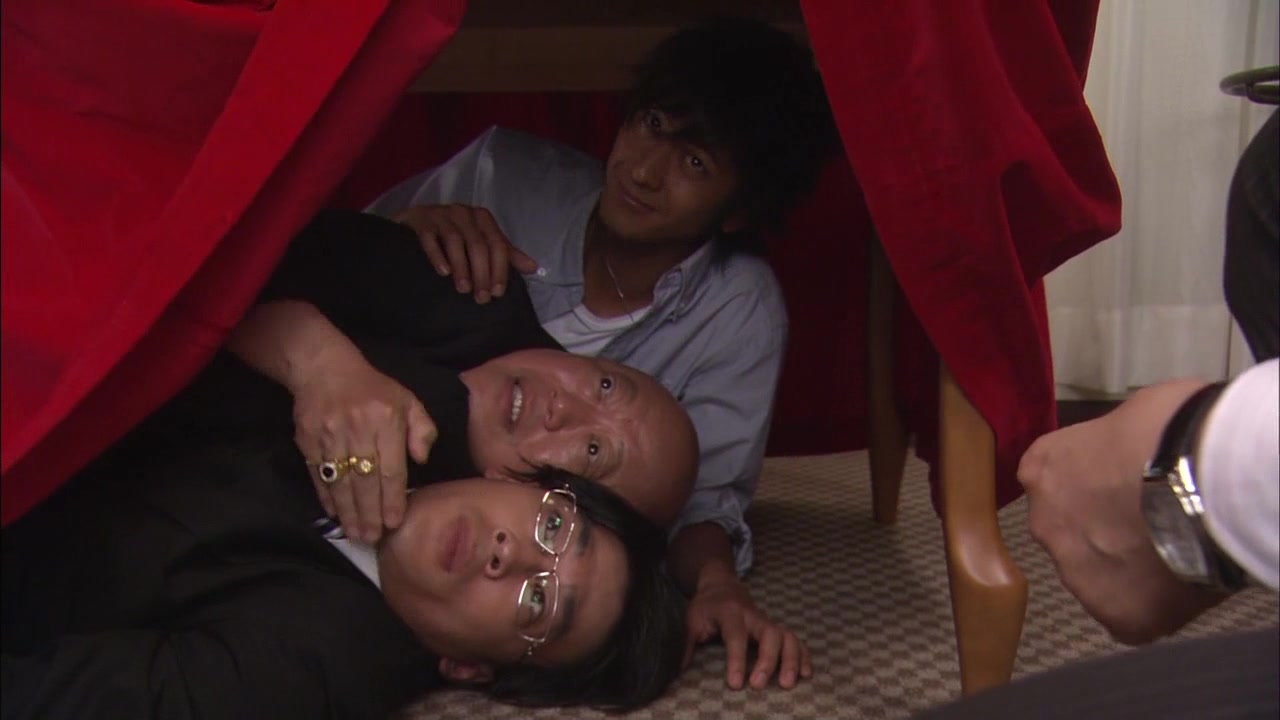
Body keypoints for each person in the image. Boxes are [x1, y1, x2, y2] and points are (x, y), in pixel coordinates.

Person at [365, 16, 836, 690]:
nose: (643, 171)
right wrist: (406, 233)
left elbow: (704, 497)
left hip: (493, 549)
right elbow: (327, 269)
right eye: (650, 125)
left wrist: (717, 584)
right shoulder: (504, 174)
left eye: (694, 164)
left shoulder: (740, 309)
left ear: (739, 210)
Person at [1, 434, 687, 719]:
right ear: (519, 479)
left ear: (470, 669)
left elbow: (50, 695)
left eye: (537, 601)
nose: (509, 554)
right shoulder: (406, 406)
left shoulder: (302, 671)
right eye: (554, 526)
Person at [117, 209, 700, 544]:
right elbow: (194, 254)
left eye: (594, 450)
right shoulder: (472, 288)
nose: (563, 406)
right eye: (604, 385)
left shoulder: (459, 558)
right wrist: (320, 364)